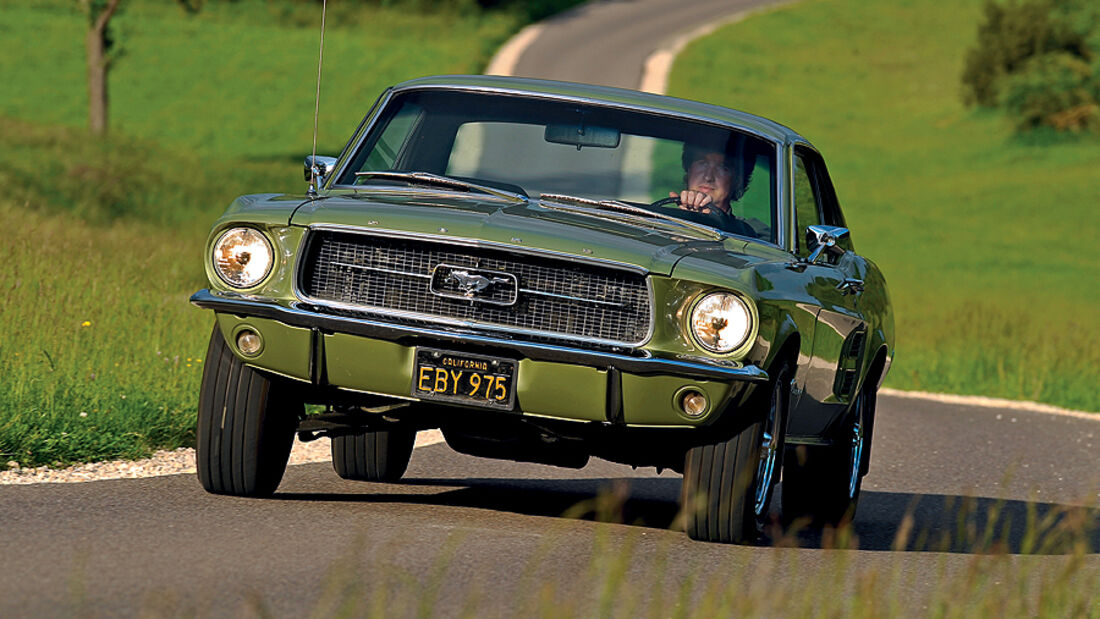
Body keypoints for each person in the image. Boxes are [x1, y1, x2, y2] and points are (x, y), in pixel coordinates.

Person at [667, 135, 759, 237]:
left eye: (722, 167)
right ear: (689, 170)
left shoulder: (752, 231)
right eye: (702, 163)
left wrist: (711, 221)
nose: (708, 177)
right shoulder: (661, 222)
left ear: (737, 180)